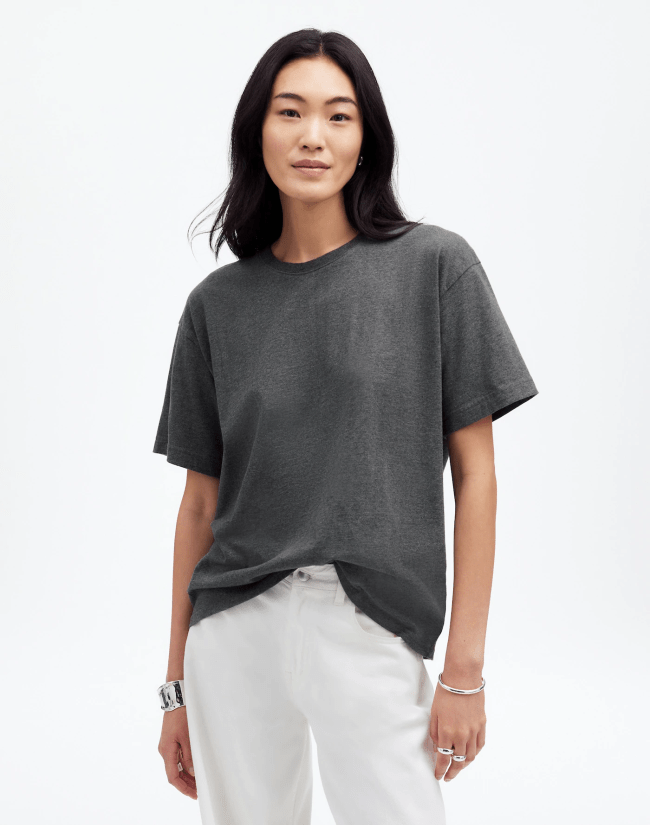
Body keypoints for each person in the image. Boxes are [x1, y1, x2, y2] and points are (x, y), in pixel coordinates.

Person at [152, 28, 538, 825]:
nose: (313, 136)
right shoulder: (216, 307)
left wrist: (464, 669)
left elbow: (478, 476)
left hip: (370, 619)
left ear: (367, 140)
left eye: (338, 115)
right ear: (258, 131)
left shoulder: (436, 267)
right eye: (290, 112)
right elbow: (199, 506)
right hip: (232, 629)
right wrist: (174, 689)